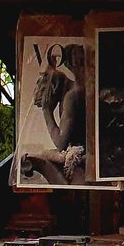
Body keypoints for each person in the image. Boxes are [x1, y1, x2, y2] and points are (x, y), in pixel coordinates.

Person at [21, 42, 86, 185]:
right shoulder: (73, 92)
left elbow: (61, 143)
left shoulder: (72, 96)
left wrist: (47, 111)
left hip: (82, 161)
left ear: (54, 87)